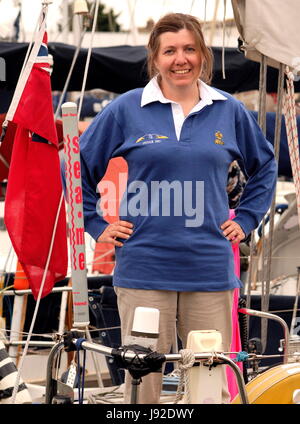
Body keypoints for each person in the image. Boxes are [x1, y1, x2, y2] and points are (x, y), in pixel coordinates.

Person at [78, 13, 277, 403]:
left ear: (203, 55)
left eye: (189, 49)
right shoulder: (126, 109)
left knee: (209, 385)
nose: (180, 59)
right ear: (155, 58)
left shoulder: (229, 110)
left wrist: (249, 217)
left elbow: (266, 166)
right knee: (142, 385)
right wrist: (95, 223)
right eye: (170, 51)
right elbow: (76, 167)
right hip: (144, 269)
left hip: (210, 270)